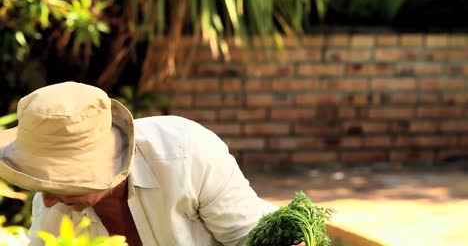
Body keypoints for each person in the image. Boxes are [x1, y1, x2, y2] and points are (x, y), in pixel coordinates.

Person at [0, 82, 305, 246]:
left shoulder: (186, 154)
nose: (47, 199)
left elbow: (249, 237)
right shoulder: (52, 209)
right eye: (41, 183)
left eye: (61, 185)